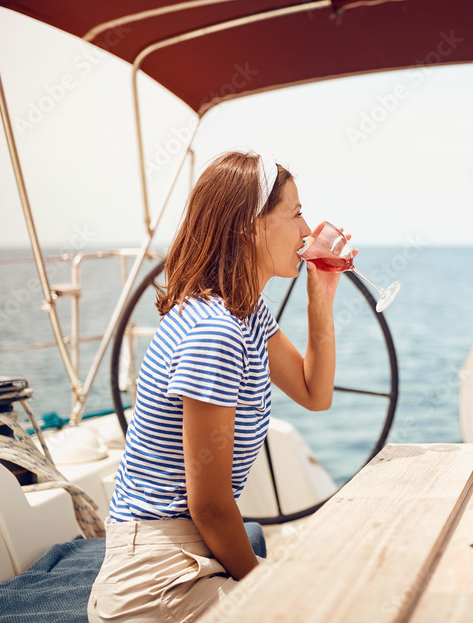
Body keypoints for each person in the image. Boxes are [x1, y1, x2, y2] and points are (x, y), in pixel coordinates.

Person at [88, 151, 341, 622]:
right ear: (249, 225)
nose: (307, 231)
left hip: (191, 554)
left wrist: (320, 296)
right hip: (156, 578)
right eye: (296, 213)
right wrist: (271, 585)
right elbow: (209, 505)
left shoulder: (246, 314)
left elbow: (314, 393)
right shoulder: (216, 332)